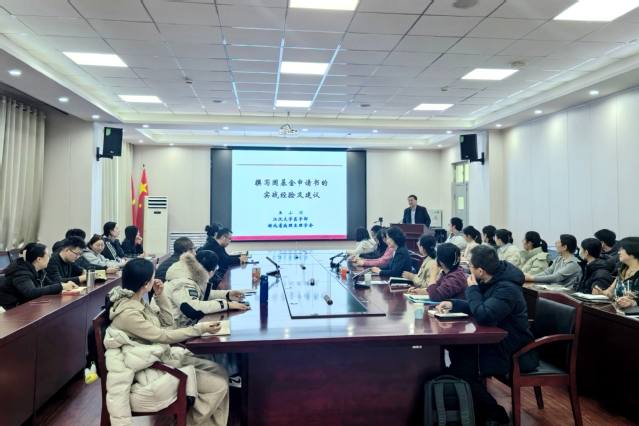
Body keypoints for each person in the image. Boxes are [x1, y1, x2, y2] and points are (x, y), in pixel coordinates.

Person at [104, 258, 229, 426]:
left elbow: (167, 321)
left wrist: (160, 295)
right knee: (219, 385)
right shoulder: (129, 314)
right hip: (152, 368)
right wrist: (201, 328)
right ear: (146, 283)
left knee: (220, 371)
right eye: (153, 277)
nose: (156, 279)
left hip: (160, 358)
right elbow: (163, 336)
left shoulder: (136, 301)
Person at [435, 245, 538, 425]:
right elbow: (481, 306)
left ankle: (497, 415)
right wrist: (453, 304)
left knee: (462, 370)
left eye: (471, 266)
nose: (469, 270)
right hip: (497, 341)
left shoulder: (506, 288)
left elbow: (484, 315)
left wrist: (472, 289)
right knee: (457, 355)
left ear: (480, 271)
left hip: (514, 350)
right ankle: (474, 411)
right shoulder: (493, 279)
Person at [157, 250, 248, 386]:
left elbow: (201, 294)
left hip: (180, 327)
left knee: (221, 333)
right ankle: (228, 379)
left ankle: (232, 375)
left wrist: (227, 295)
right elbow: (192, 308)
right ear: (211, 272)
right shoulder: (183, 282)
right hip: (172, 333)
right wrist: (226, 304)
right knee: (217, 339)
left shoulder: (187, 272)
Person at [0, 243, 78, 310]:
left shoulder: (39, 270)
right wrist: (61, 286)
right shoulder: (20, 273)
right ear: (39, 259)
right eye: (47, 255)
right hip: (12, 309)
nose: (49, 258)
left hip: (27, 305)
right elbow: (32, 292)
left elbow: (50, 283)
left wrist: (64, 284)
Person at [593, 237, 639, 307]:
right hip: (617, 311)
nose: (618, 252)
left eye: (622, 249)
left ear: (632, 250)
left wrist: (633, 302)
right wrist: (601, 293)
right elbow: (611, 292)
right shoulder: (623, 270)